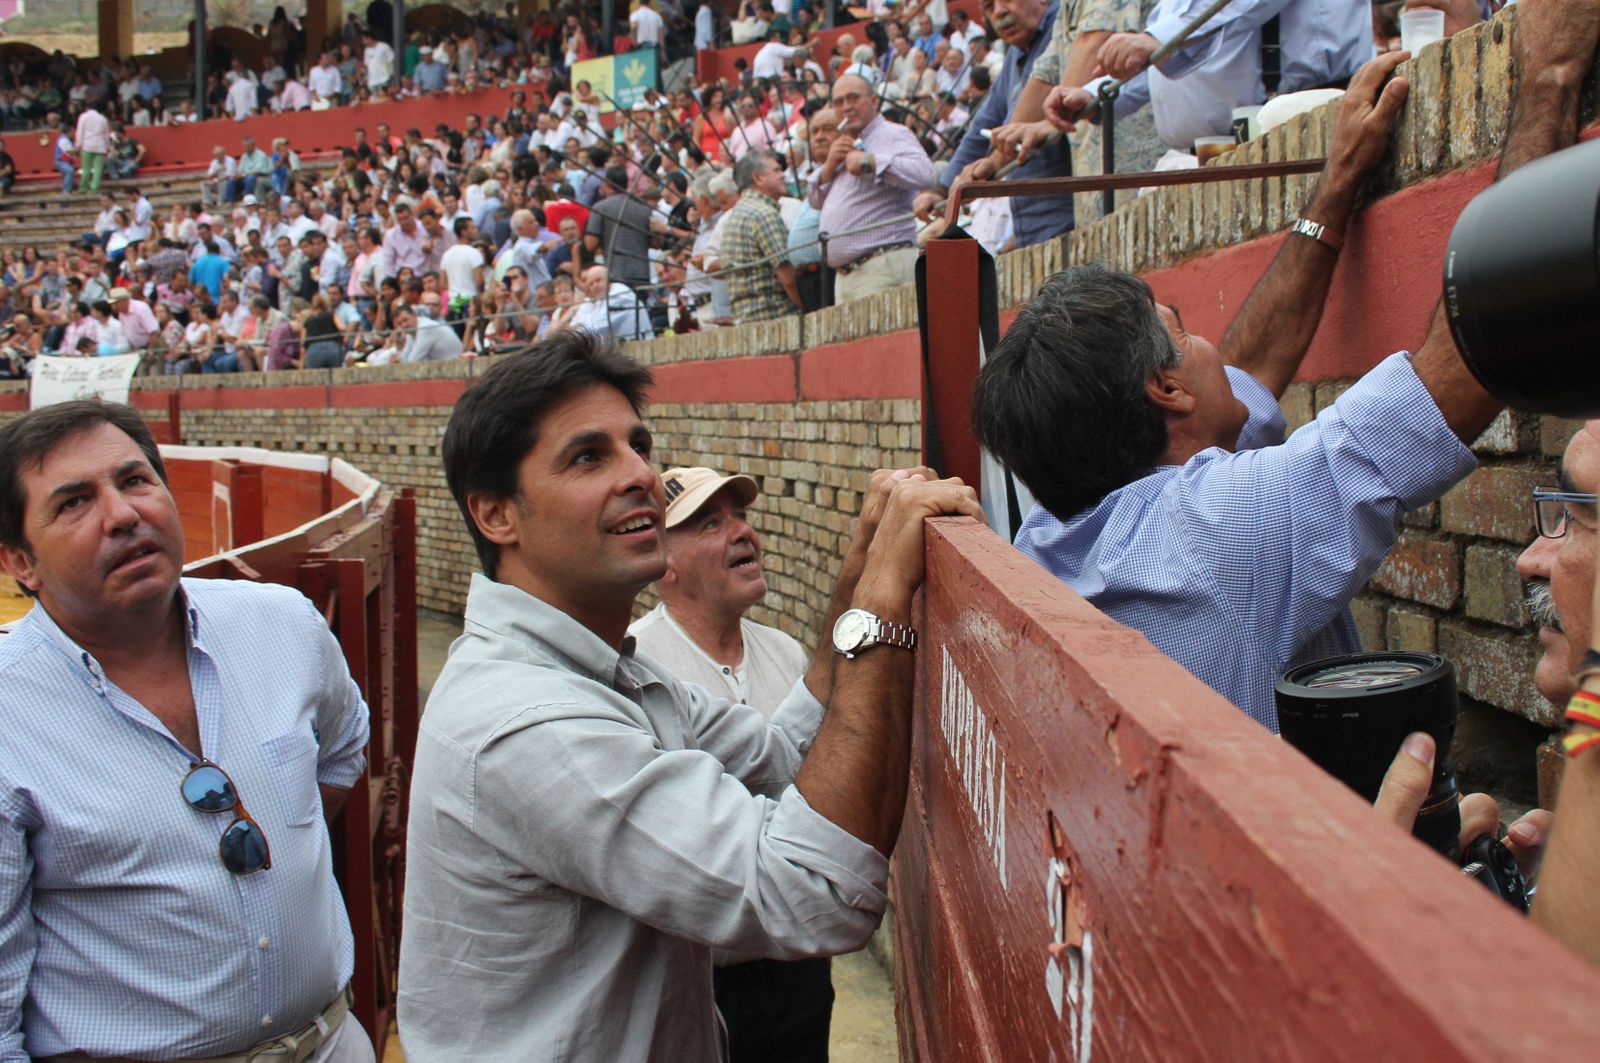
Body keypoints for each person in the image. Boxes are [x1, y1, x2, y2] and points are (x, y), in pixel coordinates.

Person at [397, 332, 983, 1057]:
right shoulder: (531, 720)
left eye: (638, 444)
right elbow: (814, 892)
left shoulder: (607, 672)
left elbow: (779, 755)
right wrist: (884, 602)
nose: (641, 473)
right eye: (589, 456)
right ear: (497, 515)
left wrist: (859, 574)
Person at [968, 44, 1579, 731]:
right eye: (1185, 330)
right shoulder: (1219, 527)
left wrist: (1339, 180)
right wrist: (1550, 76)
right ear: (1168, 391)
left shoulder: (1057, 530)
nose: (1214, 350)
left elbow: (1249, 373)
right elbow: (1469, 356)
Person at [0, 401, 374, 1060]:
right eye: (73, 503)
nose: (122, 514)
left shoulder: (284, 623)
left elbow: (341, 752)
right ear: (19, 563)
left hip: (331, 1041)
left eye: (136, 480)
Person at [629, 466, 835, 1060]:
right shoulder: (640, 665)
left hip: (797, 963)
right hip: (695, 978)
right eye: (710, 524)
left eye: (739, 516)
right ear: (664, 562)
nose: (742, 532)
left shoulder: (785, 652)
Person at [1047, 0, 1371, 154]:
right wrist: (1097, 95)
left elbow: (1170, 38)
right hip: (1218, 155)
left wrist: (1157, 39)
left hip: (1297, 139)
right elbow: (1173, 58)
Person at [911, 0, 1075, 249]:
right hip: (1032, 218)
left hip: (1069, 207)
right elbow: (983, 125)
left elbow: (1028, 114)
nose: (999, 11)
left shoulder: (1060, 27)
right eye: (988, 6)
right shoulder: (1015, 52)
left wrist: (993, 162)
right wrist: (942, 189)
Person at [810, 74, 935, 303]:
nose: (846, 107)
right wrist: (828, 167)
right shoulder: (843, 143)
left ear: (873, 101)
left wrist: (871, 162)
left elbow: (925, 174)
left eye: (853, 98)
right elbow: (815, 201)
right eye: (838, 102)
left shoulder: (892, 133)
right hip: (847, 275)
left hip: (883, 264)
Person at [722, 150, 802, 323]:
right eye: (777, 170)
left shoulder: (736, 214)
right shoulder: (764, 214)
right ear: (758, 178)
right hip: (776, 318)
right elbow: (788, 279)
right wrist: (808, 310)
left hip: (750, 322)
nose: (783, 175)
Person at [73, 103, 110, 195]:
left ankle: (83, 188)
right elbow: (106, 134)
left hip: (88, 144)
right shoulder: (103, 118)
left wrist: (78, 144)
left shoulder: (83, 116)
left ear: (87, 108)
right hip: (100, 145)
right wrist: (107, 147)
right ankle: (94, 188)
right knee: (98, 169)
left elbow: (80, 131)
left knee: (86, 168)